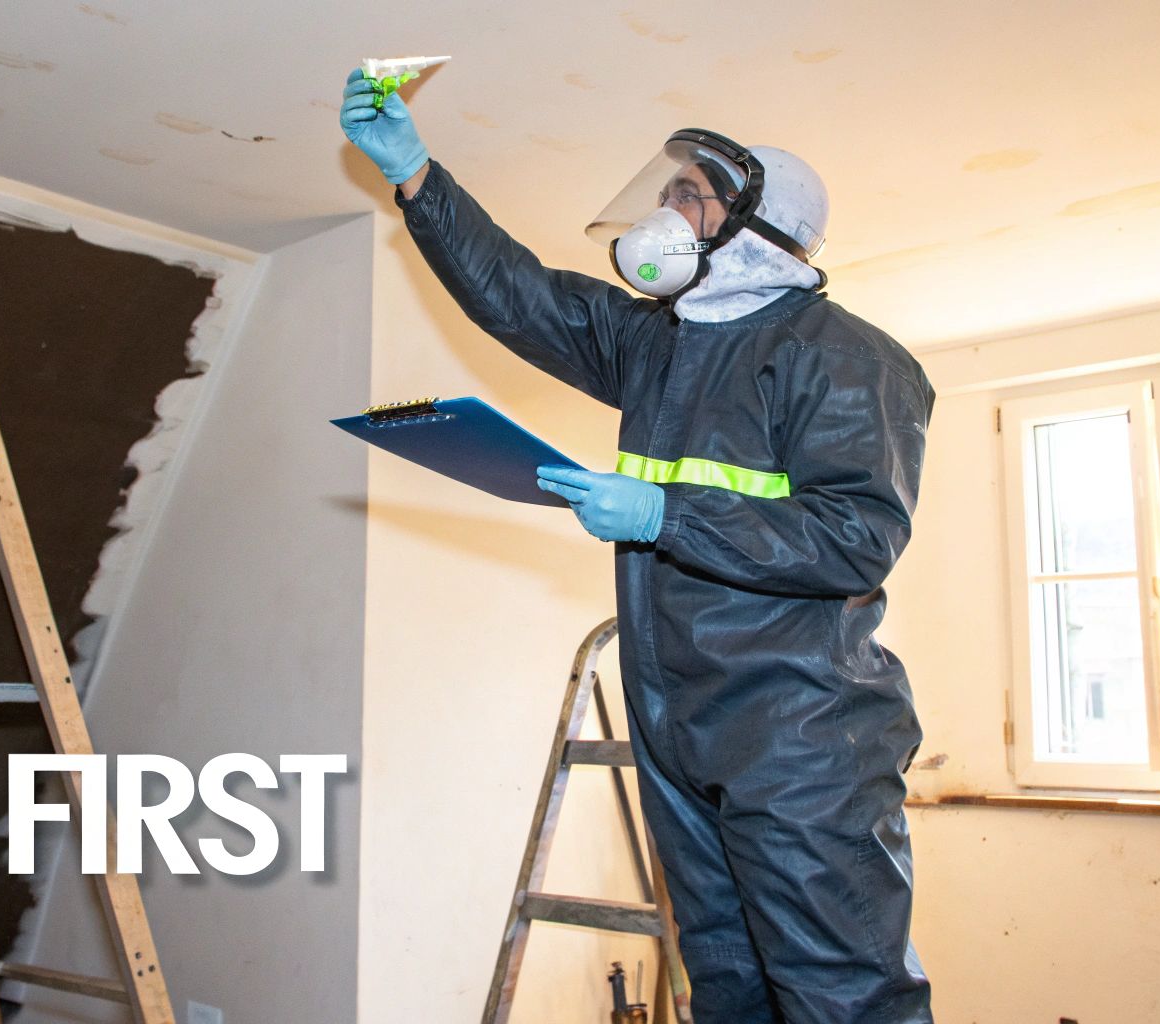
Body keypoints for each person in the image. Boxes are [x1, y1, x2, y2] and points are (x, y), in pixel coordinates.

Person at [340, 68, 936, 1024]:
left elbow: (854, 536)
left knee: (841, 995)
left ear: (760, 222)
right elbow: (524, 298)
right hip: (679, 725)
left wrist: (666, 515)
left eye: (687, 196)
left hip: (801, 738)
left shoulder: (849, 358)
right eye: (664, 193)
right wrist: (417, 178)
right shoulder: (663, 344)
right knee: (727, 986)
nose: (663, 212)